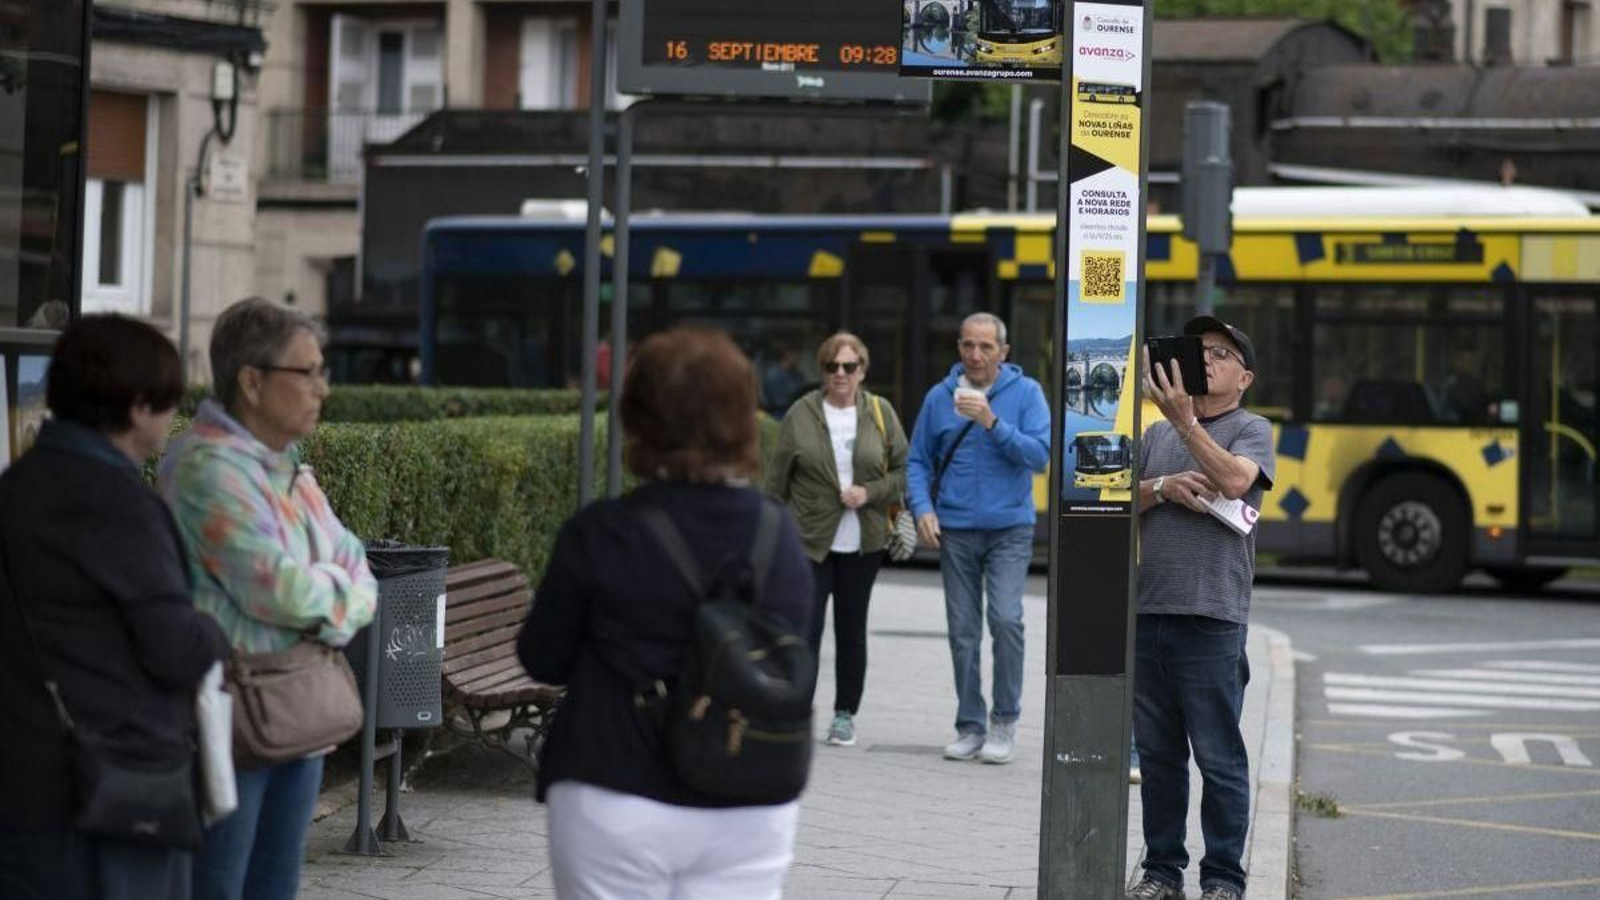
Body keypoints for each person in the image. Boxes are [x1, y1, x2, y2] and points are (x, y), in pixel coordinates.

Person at [519, 327, 815, 900]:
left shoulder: (601, 532)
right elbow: (794, 654)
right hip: (749, 795)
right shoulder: (777, 534)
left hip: (613, 788)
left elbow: (544, 659)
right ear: (744, 416)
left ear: (638, 416)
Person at [0, 316, 230, 900]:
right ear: (136, 406)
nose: (171, 418)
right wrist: (215, 625)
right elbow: (175, 649)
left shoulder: (18, 486)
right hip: (113, 789)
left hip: (23, 781)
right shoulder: (119, 504)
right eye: (167, 402)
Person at [159, 298, 378, 900]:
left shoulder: (287, 467)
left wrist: (330, 590)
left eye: (322, 372)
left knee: (275, 885)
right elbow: (276, 589)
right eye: (306, 373)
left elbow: (361, 571)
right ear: (251, 382)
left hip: (296, 706)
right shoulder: (209, 469)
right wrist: (336, 596)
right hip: (231, 712)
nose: (321, 389)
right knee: (220, 885)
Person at [1128, 315, 1275, 900]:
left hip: (1213, 617)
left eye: (1221, 353)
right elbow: (1116, 502)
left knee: (1219, 759)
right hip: (1149, 611)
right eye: (1201, 350)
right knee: (1160, 759)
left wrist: (1187, 423)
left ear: (1245, 377)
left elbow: (1238, 482)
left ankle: (1222, 878)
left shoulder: (1250, 427)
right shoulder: (1156, 434)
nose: (1208, 359)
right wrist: (1162, 488)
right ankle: (1163, 872)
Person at [906, 312, 1050, 765]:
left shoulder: (1026, 394)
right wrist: (923, 509)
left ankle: (1004, 721)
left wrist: (992, 422)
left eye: (986, 347)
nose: (976, 354)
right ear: (958, 348)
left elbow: (1041, 455)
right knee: (963, 633)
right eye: (968, 345)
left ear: (1003, 352)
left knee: (1006, 620)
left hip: (1010, 527)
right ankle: (970, 724)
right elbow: (917, 462)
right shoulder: (938, 397)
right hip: (956, 530)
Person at [767, 332, 908, 747]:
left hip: (863, 542)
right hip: (809, 540)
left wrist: (870, 493)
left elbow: (902, 471)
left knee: (852, 630)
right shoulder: (801, 413)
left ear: (863, 371)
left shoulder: (880, 412)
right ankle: (796, 714)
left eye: (850, 366)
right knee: (804, 630)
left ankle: (845, 714)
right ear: (822, 371)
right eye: (832, 367)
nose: (841, 374)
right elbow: (777, 481)